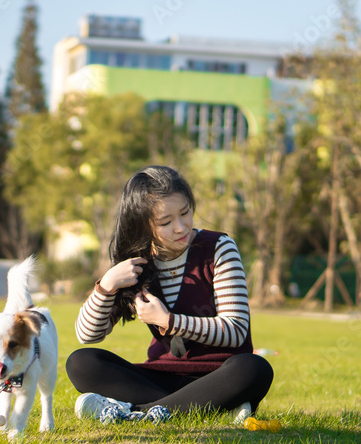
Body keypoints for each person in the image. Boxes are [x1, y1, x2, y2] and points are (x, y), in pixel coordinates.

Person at [67, 165, 274, 425]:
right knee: (81, 362)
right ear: (142, 225)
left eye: (185, 213)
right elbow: (88, 335)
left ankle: (137, 413)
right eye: (166, 222)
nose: (180, 227)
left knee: (255, 368)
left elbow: (235, 330)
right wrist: (106, 286)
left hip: (221, 375)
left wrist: (169, 321)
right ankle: (189, 410)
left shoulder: (220, 248)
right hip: (160, 376)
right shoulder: (136, 264)